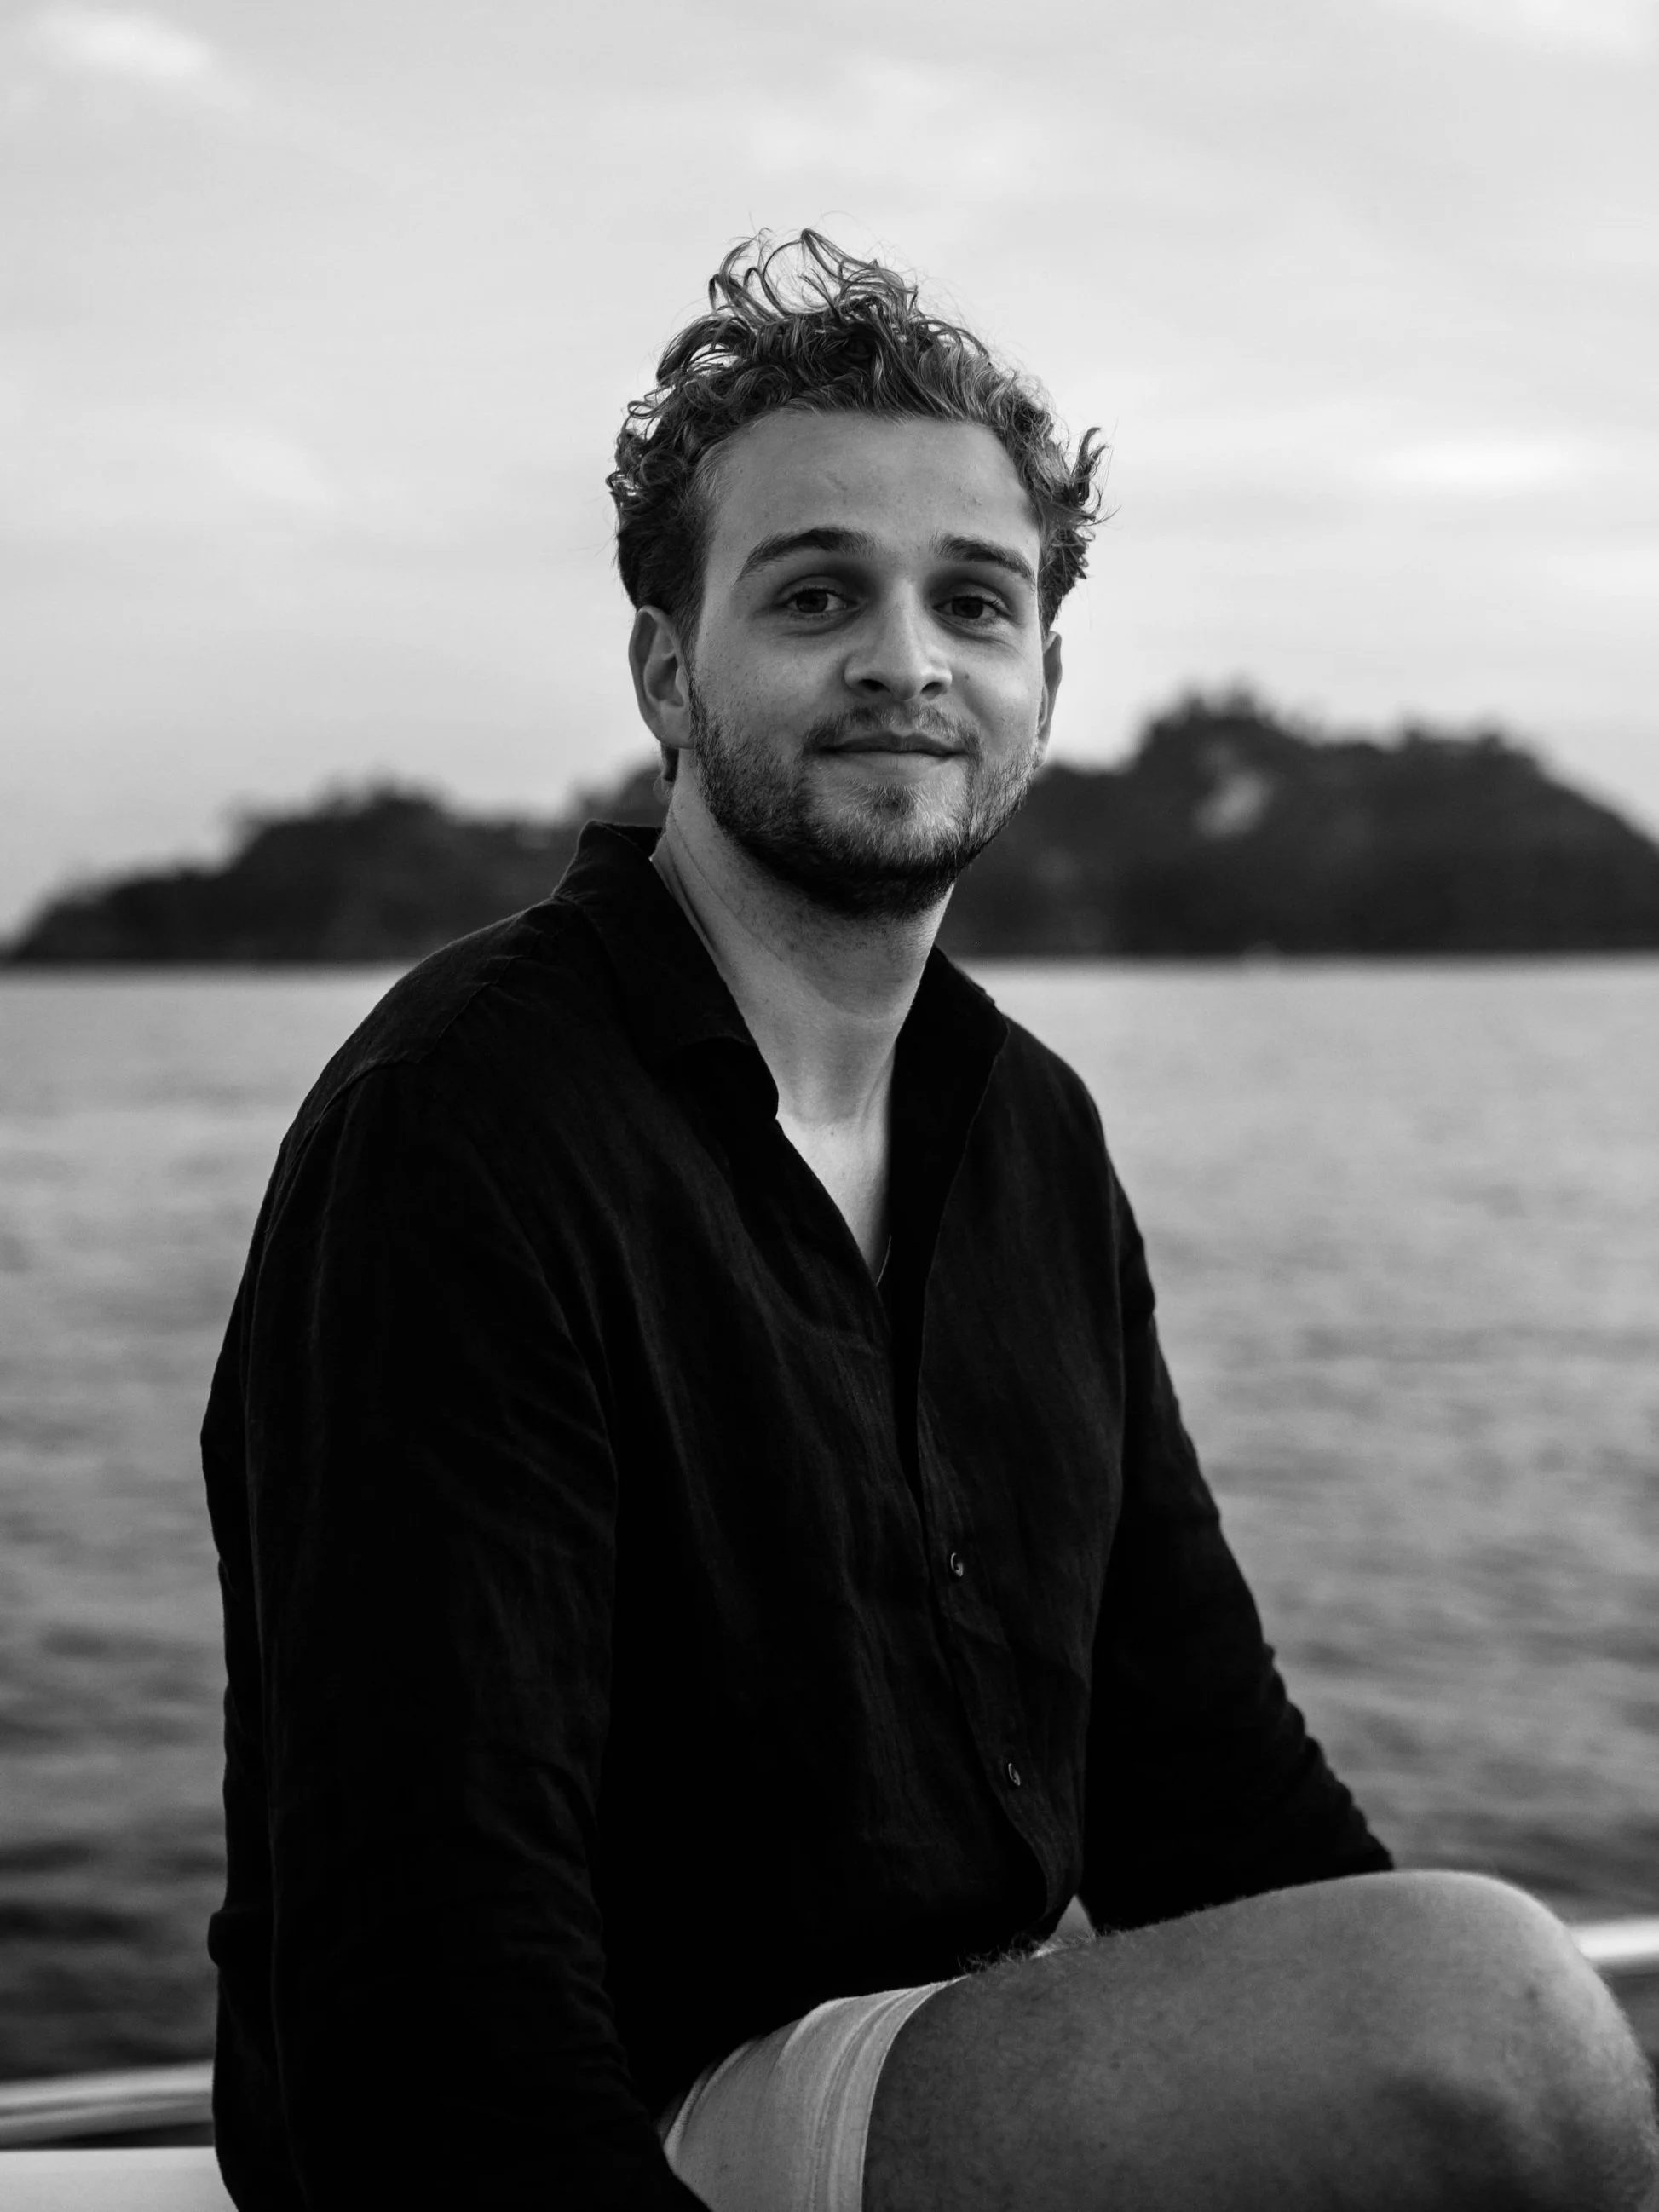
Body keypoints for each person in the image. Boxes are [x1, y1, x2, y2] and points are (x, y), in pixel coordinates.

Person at [201, 233, 1658, 2212]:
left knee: (1518, 2034)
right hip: (597, 2116)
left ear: (1042, 680)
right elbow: (426, 1945)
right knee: (1491, 2017)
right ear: (665, 672)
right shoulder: (464, 1125)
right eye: (816, 594)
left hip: (907, 2057)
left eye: (974, 601)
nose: (907, 657)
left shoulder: (1028, 1136)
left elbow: (1201, 1774)